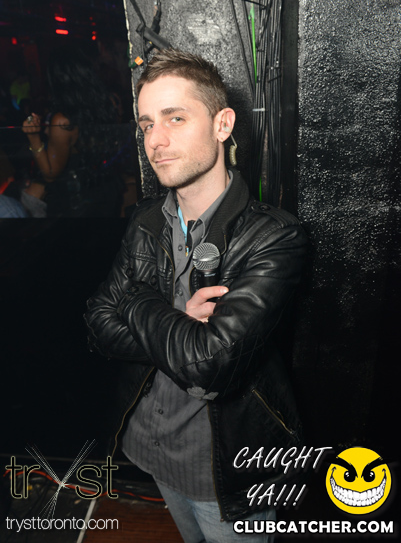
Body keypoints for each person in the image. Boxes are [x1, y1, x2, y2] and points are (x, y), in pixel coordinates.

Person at [84, 48, 308, 542]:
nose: (155, 140)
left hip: (229, 468)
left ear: (222, 124)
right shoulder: (147, 219)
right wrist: (176, 320)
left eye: (175, 118)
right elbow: (98, 324)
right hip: (151, 446)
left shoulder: (274, 237)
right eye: (146, 124)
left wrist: (138, 303)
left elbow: (209, 365)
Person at [22, 46, 123, 217]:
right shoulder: (111, 102)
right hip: (108, 188)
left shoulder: (63, 121)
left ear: (56, 79)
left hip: (79, 199)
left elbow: (50, 173)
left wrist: (33, 137)